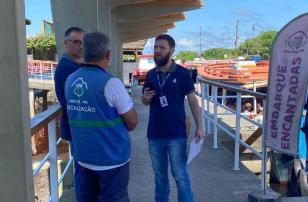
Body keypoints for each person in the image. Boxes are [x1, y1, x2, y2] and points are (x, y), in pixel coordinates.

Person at [65, 32, 137, 202]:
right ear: (108, 55)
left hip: (83, 158)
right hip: (112, 161)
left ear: (84, 52)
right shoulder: (112, 83)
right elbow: (132, 122)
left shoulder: (70, 80)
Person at [142, 34, 204, 202]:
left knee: (180, 176)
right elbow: (144, 99)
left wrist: (200, 127)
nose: (157, 51)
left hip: (177, 134)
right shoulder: (150, 75)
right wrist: (145, 98)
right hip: (154, 134)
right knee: (159, 176)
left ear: (171, 50)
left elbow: (192, 100)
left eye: (162, 47)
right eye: (155, 47)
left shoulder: (183, 74)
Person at [54, 27, 85, 140]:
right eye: (77, 42)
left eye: (83, 42)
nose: (81, 46)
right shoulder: (67, 68)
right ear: (66, 43)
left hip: (76, 127)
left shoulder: (75, 66)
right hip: (75, 129)